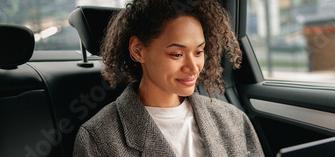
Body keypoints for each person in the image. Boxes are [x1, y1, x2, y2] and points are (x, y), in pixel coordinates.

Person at [73, 0, 264, 156]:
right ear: (138, 50)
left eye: (198, 52)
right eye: (177, 54)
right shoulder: (98, 139)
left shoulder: (233, 119)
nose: (193, 68)